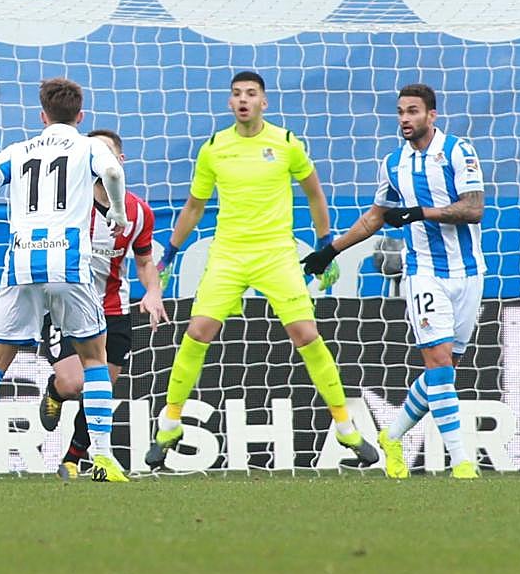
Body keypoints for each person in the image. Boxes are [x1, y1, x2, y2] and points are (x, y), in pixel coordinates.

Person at [148, 71, 378, 469]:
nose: (243, 100)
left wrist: (324, 246)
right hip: (229, 255)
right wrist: (168, 253)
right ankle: (169, 423)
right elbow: (194, 207)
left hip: (276, 254)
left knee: (306, 334)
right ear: (230, 102)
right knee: (197, 331)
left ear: (263, 102)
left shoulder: (286, 143)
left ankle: (345, 427)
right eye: (236, 94)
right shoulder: (215, 148)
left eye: (251, 94)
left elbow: (314, 193)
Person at [0, 79, 131, 484]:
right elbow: (113, 171)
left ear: (42, 116)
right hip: (69, 263)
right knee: (95, 360)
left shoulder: (20, 150)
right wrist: (116, 211)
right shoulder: (88, 146)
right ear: (80, 117)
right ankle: (102, 458)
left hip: (22, 264)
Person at [301, 84, 484, 479]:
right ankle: (462, 461)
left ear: (431, 115)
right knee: (436, 362)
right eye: (400, 111)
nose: (405, 118)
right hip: (424, 275)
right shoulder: (393, 163)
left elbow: (474, 208)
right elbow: (375, 217)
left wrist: (421, 212)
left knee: (444, 370)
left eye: (413, 111)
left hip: (469, 273)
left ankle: (392, 435)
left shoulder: (457, 151)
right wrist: (331, 250)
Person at [38, 129, 167, 479]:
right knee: (74, 384)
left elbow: (143, 263)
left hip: (112, 310)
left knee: (101, 388)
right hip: (66, 305)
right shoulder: (64, 206)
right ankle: (54, 391)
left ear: (120, 162)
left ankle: (72, 458)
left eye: (107, 153)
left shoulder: (139, 213)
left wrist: (152, 291)